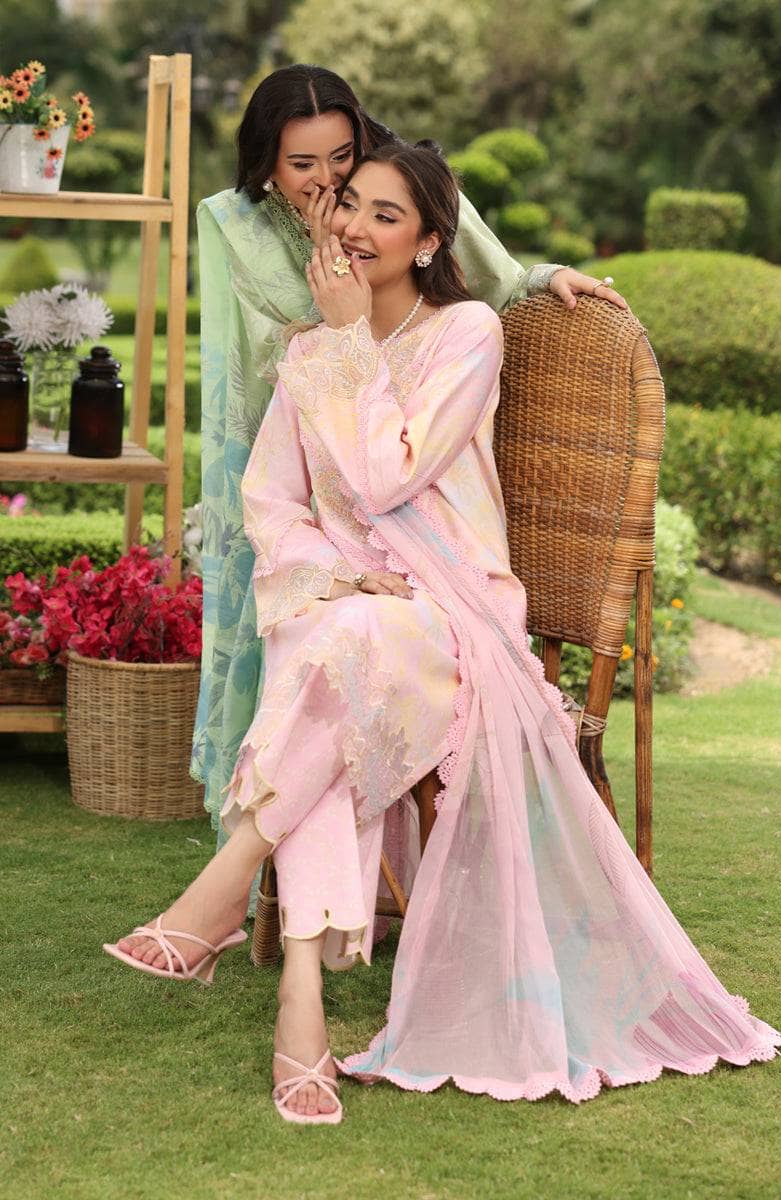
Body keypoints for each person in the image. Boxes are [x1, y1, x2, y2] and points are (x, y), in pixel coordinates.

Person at [105, 143, 781, 1127]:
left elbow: (388, 476)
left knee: (336, 663)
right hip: (344, 611)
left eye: (387, 215)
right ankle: (300, 1003)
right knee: (337, 654)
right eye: (349, 207)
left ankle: (226, 885)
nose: (355, 228)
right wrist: (340, 572)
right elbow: (273, 507)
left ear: (428, 241)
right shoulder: (306, 354)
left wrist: (348, 339)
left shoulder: (466, 335)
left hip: (451, 615)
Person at [189, 64, 625, 840]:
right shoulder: (236, 223)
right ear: (263, 162)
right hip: (303, 447)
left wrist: (542, 277)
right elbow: (246, 359)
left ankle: (281, 916)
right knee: (295, 609)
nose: (328, 184)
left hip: (400, 480)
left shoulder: (405, 237)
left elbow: (468, 251)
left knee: (350, 642)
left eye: (341, 159)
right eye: (301, 166)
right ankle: (286, 909)